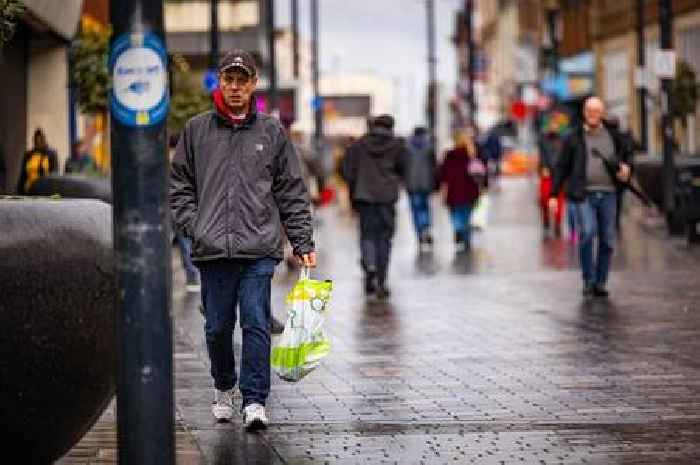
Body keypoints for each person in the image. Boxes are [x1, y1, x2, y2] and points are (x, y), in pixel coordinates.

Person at [169, 50, 316, 430]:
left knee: (255, 322)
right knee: (217, 328)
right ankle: (223, 385)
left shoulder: (271, 132)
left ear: (253, 85)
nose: (235, 87)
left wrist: (302, 242)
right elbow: (179, 186)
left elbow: (291, 190)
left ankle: (254, 400)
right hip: (212, 250)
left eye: (242, 80)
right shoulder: (196, 130)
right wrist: (194, 225)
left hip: (258, 250)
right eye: (229, 79)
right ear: (220, 81)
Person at [549, 96, 632, 298]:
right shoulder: (573, 137)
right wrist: (553, 194)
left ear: (602, 113)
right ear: (584, 113)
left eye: (596, 111)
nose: (592, 114)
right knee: (587, 233)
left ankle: (600, 282)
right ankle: (588, 279)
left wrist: (627, 169)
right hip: (583, 194)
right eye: (589, 110)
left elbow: (626, 158)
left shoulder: (613, 136)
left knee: (608, 240)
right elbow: (561, 167)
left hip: (609, 194)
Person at [341, 114, 405, 301]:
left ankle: (369, 265)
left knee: (367, 235)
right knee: (385, 238)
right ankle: (382, 281)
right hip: (386, 197)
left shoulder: (359, 145)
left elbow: (347, 171)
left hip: (364, 196)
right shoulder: (397, 145)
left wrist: (356, 188)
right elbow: (403, 169)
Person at [439, 131, 485, 252]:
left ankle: (458, 228)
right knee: (467, 217)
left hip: (453, 191)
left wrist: (443, 190)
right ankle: (466, 239)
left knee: (455, 214)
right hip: (470, 191)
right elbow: (480, 174)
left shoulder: (449, 155)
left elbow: (443, 175)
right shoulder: (472, 155)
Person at [404, 126, 437, 252]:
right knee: (425, 207)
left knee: (415, 209)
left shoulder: (407, 147)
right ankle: (426, 227)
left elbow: (403, 165)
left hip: (411, 183)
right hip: (426, 182)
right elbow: (434, 166)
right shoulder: (429, 147)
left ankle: (420, 232)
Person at [538, 128, 565, 236]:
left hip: (559, 174)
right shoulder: (543, 140)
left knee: (560, 201)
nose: (554, 125)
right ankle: (546, 219)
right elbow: (542, 155)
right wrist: (543, 167)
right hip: (547, 173)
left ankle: (558, 224)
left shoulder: (564, 140)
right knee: (544, 199)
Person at [17, 128, 58, 194]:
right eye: (36, 141)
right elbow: (23, 175)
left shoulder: (51, 154)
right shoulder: (28, 155)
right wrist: (19, 190)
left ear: (43, 140)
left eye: (39, 141)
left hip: (45, 189)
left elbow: (54, 174)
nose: (38, 143)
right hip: (28, 189)